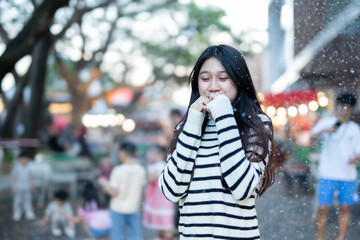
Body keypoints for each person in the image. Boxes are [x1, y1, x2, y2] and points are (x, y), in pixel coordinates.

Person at [159, 44, 274, 239]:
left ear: (239, 81)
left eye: (223, 78)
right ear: (197, 83)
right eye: (205, 78)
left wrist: (223, 115)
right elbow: (171, 191)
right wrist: (193, 122)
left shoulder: (257, 125)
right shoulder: (185, 128)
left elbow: (242, 188)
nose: (213, 86)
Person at [310, 92, 360, 240]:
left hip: (347, 174)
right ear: (337, 106)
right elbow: (311, 138)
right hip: (327, 173)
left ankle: (341, 238)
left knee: (344, 208)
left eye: (347, 107)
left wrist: (355, 158)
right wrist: (325, 130)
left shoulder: (354, 129)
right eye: (342, 106)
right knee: (322, 207)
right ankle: (319, 238)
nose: (344, 109)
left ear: (351, 109)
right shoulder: (326, 122)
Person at [99, 141, 146, 240]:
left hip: (118, 208)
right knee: (135, 235)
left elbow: (113, 193)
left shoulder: (118, 170)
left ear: (122, 153)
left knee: (117, 236)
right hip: (134, 208)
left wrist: (104, 183)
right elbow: (142, 191)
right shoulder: (140, 169)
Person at [143, 144, 175, 240]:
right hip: (164, 198)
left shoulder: (158, 165)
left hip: (160, 200)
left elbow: (150, 178)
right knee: (164, 225)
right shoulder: (165, 164)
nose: (153, 156)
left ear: (161, 154)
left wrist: (149, 165)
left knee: (164, 226)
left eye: (155, 154)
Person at [11, 152, 36, 221]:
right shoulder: (17, 167)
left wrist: (32, 186)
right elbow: (14, 178)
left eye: (26, 159)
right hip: (18, 188)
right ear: (19, 159)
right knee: (17, 201)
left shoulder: (29, 168)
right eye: (23, 159)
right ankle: (17, 213)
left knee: (28, 200)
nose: (24, 160)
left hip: (27, 187)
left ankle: (29, 212)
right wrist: (13, 186)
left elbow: (31, 178)